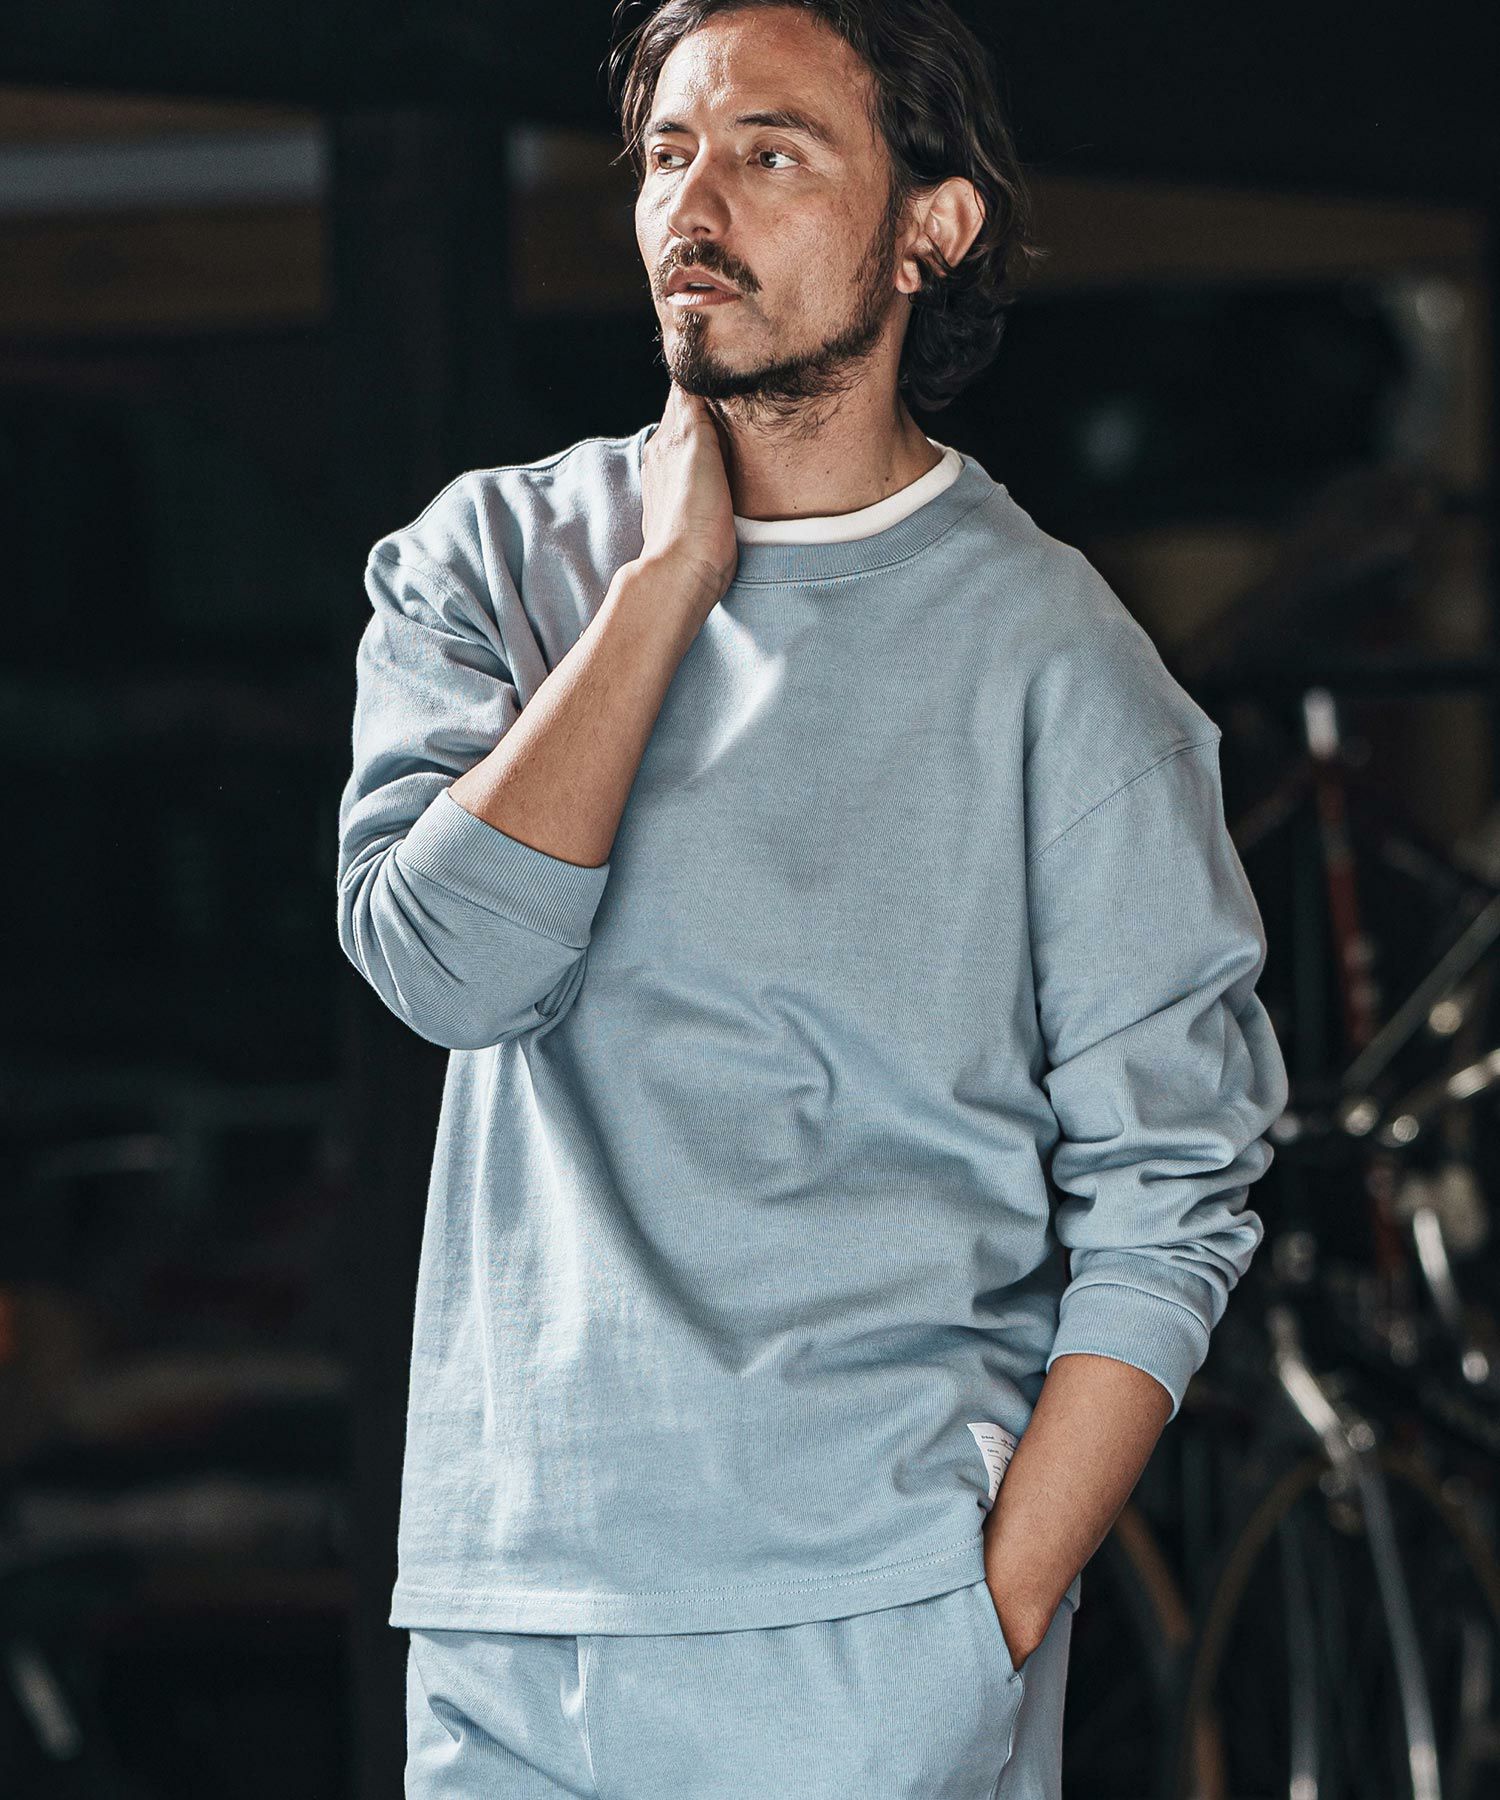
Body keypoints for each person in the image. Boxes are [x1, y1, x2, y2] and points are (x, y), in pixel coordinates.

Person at [335, 1, 1290, 1793]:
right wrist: (661, 592)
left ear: (931, 226)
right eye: (670, 153)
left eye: (771, 152)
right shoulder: (492, 561)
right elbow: (446, 973)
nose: (697, 205)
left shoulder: (1059, 661)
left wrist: (984, 1614)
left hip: (866, 1633)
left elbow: (1174, 1194)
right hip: (507, 1621)